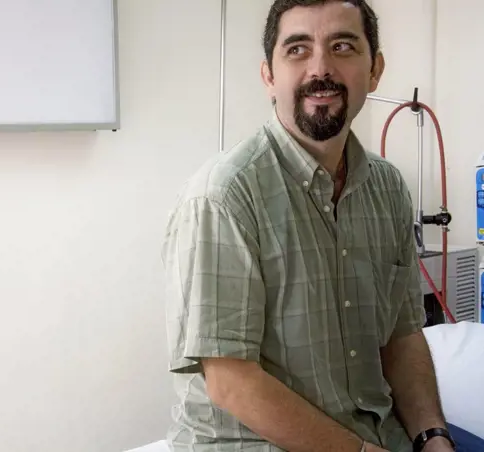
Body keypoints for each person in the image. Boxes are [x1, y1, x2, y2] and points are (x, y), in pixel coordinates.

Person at [161, 1, 476, 451]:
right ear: (269, 75)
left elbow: (402, 335)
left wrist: (433, 435)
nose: (320, 68)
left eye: (343, 46)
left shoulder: (386, 189)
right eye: (297, 49)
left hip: (372, 431)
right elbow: (231, 381)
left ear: (375, 70)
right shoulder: (224, 197)